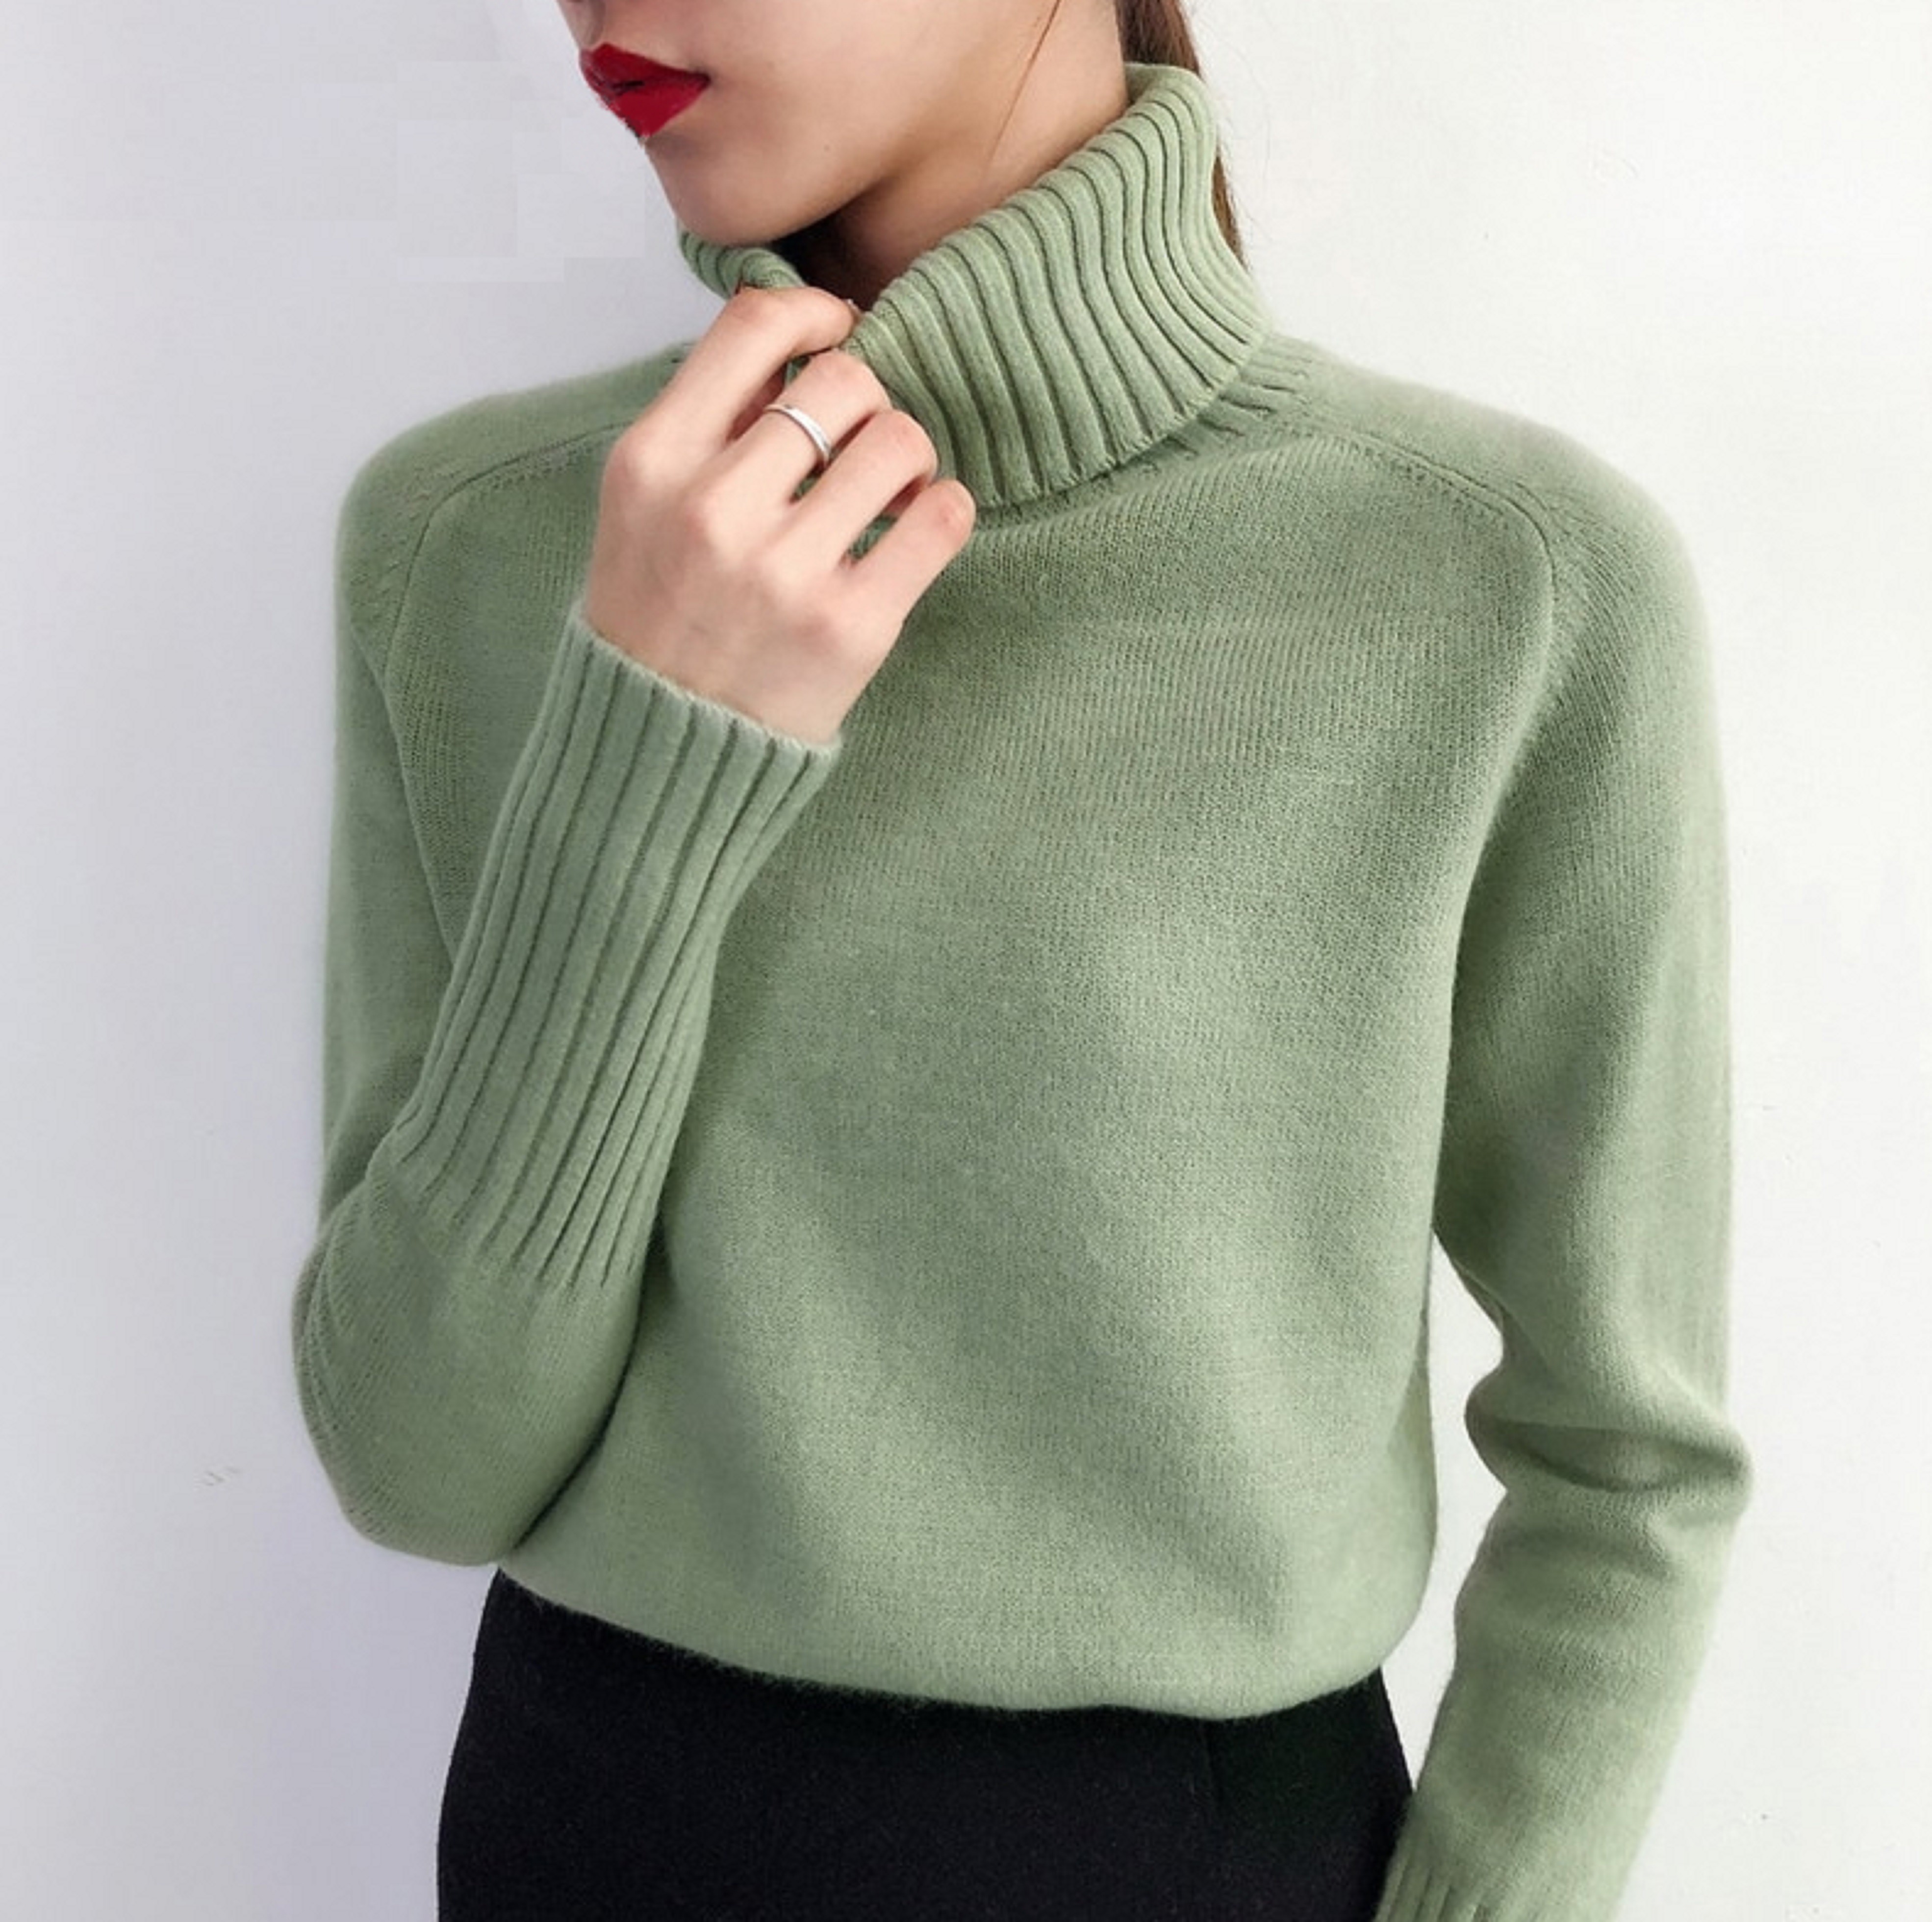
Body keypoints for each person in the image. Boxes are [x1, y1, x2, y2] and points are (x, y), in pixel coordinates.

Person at [288, 1, 1751, 1916]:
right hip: (589, 1829)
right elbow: (419, 1463)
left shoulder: (1502, 580)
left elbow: (1625, 1463)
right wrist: (647, 747)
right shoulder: (467, 541)